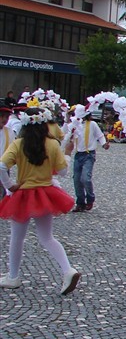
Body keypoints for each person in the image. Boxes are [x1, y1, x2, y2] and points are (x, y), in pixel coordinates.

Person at [0, 107, 80, 294]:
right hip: (45, 193)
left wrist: (9, 185)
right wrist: (67, 154)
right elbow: (62, 171)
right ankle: (68, 270)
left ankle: (13, 276)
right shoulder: (52, 144)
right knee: (47, 237)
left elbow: (2, 166)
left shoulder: (19, 144)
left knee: (17, 237)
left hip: (23, 194)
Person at [66, 106, 110, 212]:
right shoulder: (74, 125)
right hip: (78, 154)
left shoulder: (92, 124)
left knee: (85, 178)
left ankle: (90, 198)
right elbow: (67, 135)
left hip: (89, 154)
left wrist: (104, 144)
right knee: (77, 180)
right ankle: (80, 202)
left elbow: (100, 136)